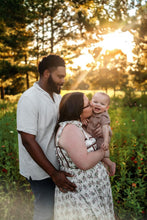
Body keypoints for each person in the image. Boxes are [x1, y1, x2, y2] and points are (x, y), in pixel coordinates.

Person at [17, 54, 76, 220]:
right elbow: (28, 141)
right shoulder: (29, 99)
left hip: (57, 168)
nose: (63, 81)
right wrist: (53, 173)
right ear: (46, 74)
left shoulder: (57, 98)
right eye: (60, 76)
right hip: (40, 172)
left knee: (58, 212)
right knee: (45, 212)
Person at [54, 92, 115, 220]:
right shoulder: (71, 129)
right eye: (89, 105)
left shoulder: (81, 124)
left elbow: (99, 136)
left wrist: (107, 131)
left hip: (92, 186)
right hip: (80, 188)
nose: (93, 106)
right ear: (78, 111)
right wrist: (104, 152)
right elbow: (84, 163)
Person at [84, 92, 116, 176]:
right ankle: (104, 171)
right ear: (90, 102)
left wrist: (105, 141)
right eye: (95, 102)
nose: (98, 105)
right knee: (97, 157)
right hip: (92, 137)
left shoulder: (103, 116)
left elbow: (105, 128)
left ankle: (110, 164)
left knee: (101, 153)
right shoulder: (90, 111)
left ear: (106, 108)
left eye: (102, 104)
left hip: (101, 138)